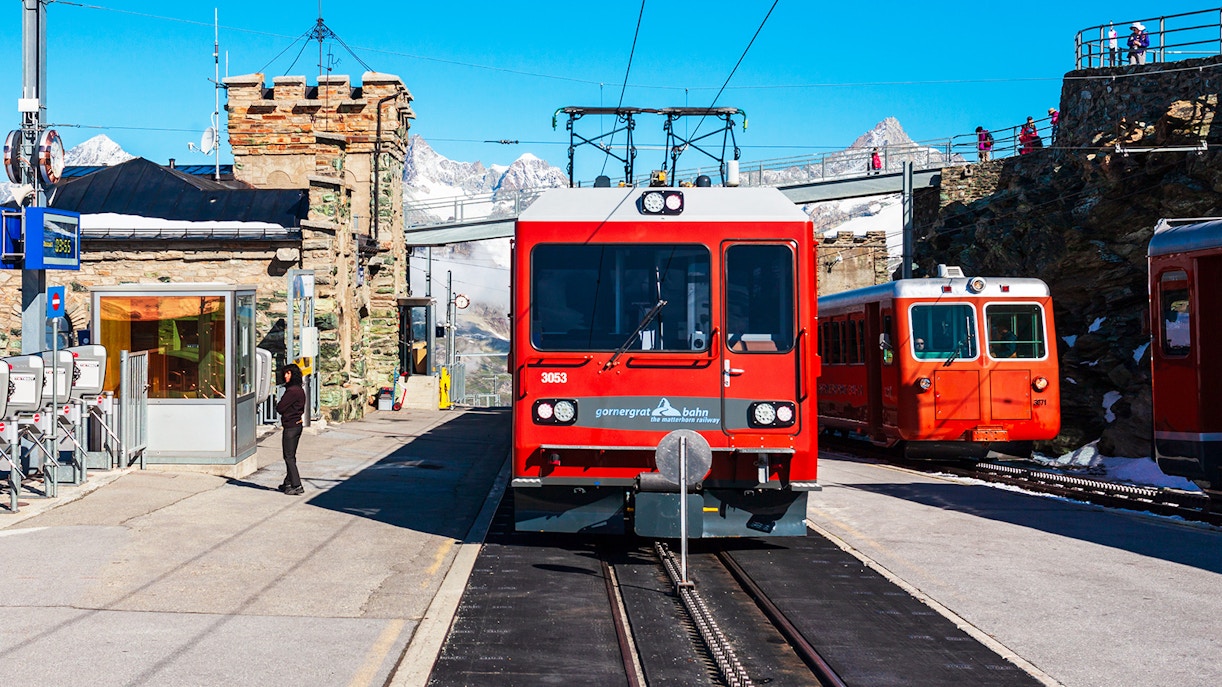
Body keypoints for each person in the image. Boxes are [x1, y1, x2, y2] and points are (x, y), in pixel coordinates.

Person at [276, 363, 306, 495]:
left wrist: (279, 403)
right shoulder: (298, 389)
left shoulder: (292, 391)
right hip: (297, 424)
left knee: (288, 457)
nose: (285, 376)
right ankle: (288, 482)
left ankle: (297, 484)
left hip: (291, 427)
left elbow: (280, 407)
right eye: (285, 373)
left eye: (288, 373)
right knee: (291, 456)